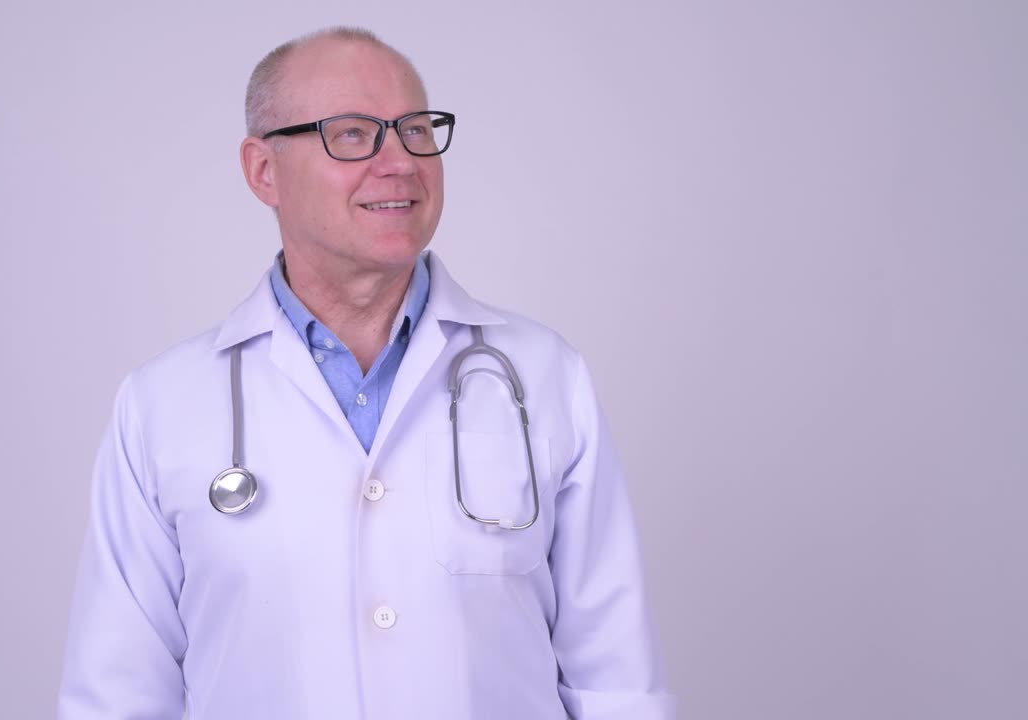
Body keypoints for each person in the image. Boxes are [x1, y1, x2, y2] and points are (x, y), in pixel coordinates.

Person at [59, 27, 675, 720]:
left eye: (416, 130)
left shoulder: (545, 377)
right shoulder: (161, 407)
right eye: (353, 134)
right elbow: (119, 694)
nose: (401, 162)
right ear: (264, 170)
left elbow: (617, 678)